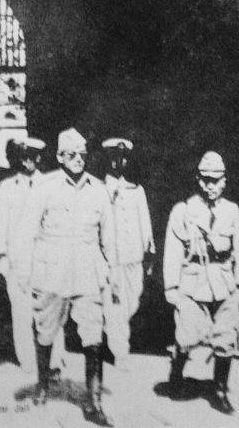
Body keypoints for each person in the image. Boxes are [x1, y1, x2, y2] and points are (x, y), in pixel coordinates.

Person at [16, 128, 117, 427]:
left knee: (93, 336)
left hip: (88, 268)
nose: (78, 160)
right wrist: (24, 271)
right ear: (59, 157)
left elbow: (107, 237)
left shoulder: (98, 189)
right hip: (52, 269)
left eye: (82, 155)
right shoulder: (44, 187)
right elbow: (26, 232)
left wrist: (111, 272)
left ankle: (93, 401)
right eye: (71, 155)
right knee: (45, 330)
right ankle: (43, 385)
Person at [162, 150, 239, 414]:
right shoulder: (184, 210)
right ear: (198, 180)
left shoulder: (232, 211)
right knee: (187, 336)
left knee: (226, 336)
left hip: (223, 282)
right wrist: (171, 287)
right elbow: (173, 251)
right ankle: (176, 373)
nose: (211, 185)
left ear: (225, 180)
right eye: (206, 179)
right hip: (193, 282)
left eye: (216, 180)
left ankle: (219, 390)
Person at [0, 137, 67, 375]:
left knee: (50, 311)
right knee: (22, 313)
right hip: (18, 260)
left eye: (33, 155)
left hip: (47, 259)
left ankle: (54, 361)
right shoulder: (7, 187)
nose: (28, 160)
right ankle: (29, 362)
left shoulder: (53, 184)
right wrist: (0, 257)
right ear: (17, 157)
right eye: (23, 155)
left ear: (40, 157)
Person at [101, 137, 155, 370]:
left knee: (131, 301)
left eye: (122, 157)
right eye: (114, 157)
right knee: (114, 303)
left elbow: (145, 221)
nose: (118, 162)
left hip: (134, 255)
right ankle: (119, 350)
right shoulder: (101, 189)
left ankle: (114, 334)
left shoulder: (136, 189)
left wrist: (149, 251)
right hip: (112, 258)